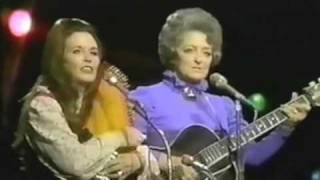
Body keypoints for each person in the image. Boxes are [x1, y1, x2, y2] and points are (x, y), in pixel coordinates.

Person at [130, 8, 311, 180]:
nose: (199, 59)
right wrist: (169, 163)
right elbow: (127, 153)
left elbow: (253, 157)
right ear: (173, 53)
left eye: (207, 53)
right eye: (189, 50)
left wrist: (286, 126)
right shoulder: (144, 97)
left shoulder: (225, 106)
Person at [12, 18, 159, 180]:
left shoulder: (99, 99)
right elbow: (76, 164)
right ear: (59, 59)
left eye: (94, 52)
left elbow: (135, 152)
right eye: (77, 51)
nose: (88, 58)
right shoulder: (41, 106)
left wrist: (137, 160)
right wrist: (121, 137)